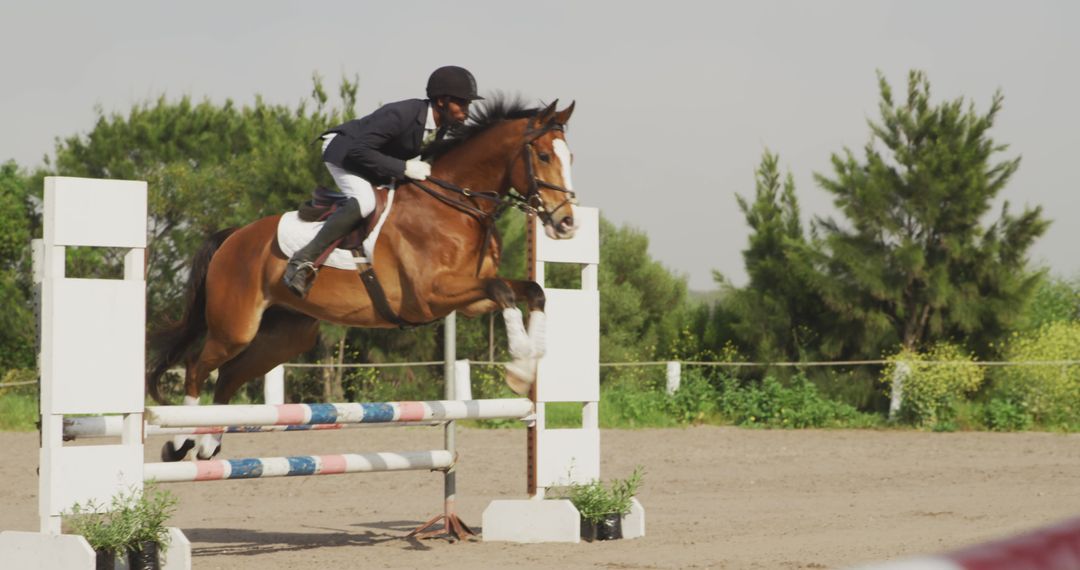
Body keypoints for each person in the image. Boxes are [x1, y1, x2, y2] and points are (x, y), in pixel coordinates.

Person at [282, 65, 484, 298]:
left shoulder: (443, 125)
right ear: (441, 101)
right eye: (462, 103)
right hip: (344, 152)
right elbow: (359, 151)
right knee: (365, 201)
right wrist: (403, 167)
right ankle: (302, 259)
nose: (466, 111)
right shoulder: (402, 114)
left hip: (372, 159)